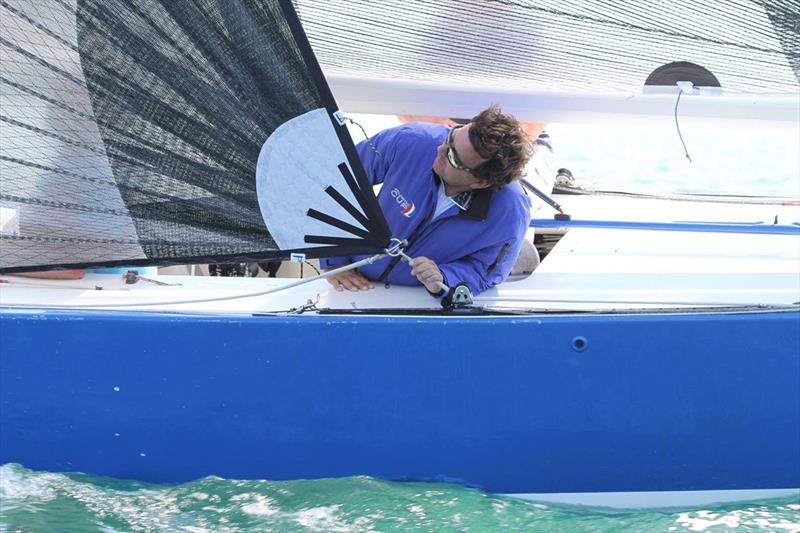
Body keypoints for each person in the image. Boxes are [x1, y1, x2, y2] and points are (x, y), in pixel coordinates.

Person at [321, 105, 533, 297]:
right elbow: (338, 180)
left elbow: (486, 271)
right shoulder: (410, 140)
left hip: (420, 301)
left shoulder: (510, 212)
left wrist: (443, 278)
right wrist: (333, 261)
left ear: (481, 182)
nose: (441, 150)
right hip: (348, 288)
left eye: (453, 158)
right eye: (450, 138)